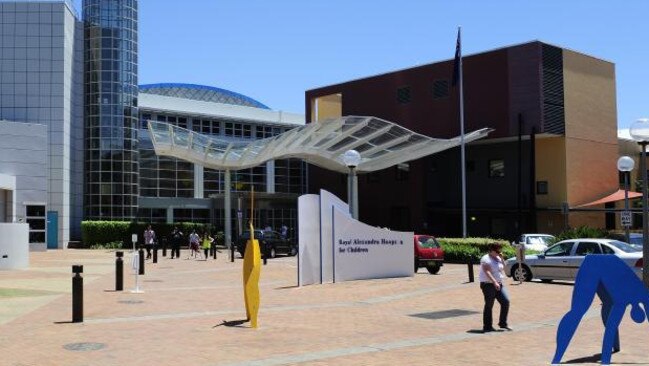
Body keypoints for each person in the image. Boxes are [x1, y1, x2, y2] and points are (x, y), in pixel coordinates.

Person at [478, 243, 511, 333]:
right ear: (491, 250)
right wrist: (494, 282)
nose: (499, 252)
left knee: (505, 301)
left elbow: (503, 267)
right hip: (488, 284)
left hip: (499, 284)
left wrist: (502, 258)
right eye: (497, 251)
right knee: (489, 304)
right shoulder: (486, 259)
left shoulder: (498, 257)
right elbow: (487, 272)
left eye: (500, 250)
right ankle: (487, 326)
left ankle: (502, 323)